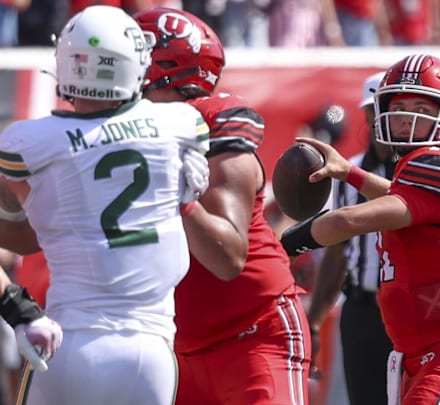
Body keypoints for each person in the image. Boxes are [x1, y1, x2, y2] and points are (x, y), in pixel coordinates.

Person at [0, 5, 211, 404]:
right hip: (151, 352)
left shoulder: (29, 143)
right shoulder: (182, 124)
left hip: (67, 341)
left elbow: (27, 226)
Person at [281, 53, 440, 405]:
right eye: (399, 106)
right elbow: (401, 199)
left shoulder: (437, 164)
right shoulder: (417, 168)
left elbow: (348, 220)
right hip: (420, 352)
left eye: (423, 106)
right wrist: (349, 173)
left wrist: (281, 247)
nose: (408, 116)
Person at [134, 8, 312, 405]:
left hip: (252, 333)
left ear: (165, 67)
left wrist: (180, 199)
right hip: (176, 346)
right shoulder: (122, 133)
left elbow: (228, 258)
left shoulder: (212, 129)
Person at [307, 71, 395, 405]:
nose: (380, 120)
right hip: (361, 308)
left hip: (406, 310)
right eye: (374, 112)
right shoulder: (349, 172)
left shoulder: (419, 171)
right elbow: (338, 251)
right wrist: (314, 320)